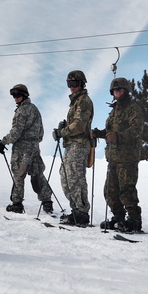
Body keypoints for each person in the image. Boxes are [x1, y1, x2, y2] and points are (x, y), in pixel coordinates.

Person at [94, 77, 144, 233]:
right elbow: (111, 133)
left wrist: (119, 136)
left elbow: (136, 130)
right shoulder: (114, 110)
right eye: (115, 90)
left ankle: (134, 220)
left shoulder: (133, 108)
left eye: (121, 90)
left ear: (126, 91)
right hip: (113, 157)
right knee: (109, 190)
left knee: (126, 190)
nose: (118, 92)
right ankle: (118, 217)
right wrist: (99, 133)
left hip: (127, 158)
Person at [0, 84, 53, 214]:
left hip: (22, 149)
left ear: (24, 95)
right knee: (37, 174)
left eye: (18, 95)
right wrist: (33, 142)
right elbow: (41, 132)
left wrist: (4, 141)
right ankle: (47, 202)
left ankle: (17, 203)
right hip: (34, 148)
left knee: (19, 174)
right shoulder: (35, 109)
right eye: (14, 96)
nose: (15, 98)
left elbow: (16, 131)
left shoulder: (22, 111)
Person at [53, 70, 94, 226]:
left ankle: (81, 212)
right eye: (69, 84)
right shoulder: (75, 102)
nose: (71, 87)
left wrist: (62, 132)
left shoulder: (84, 101)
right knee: (65, 175)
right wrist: (64, 128)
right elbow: (74, 124)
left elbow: (79, 125)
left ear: (81, 84)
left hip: (79, 144)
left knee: (76, 177)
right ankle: (76, 209)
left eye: (74, 83)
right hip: (71, 144)